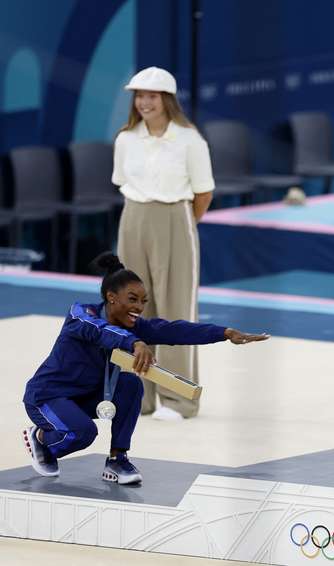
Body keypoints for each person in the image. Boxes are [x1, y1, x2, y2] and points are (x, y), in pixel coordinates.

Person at [22, 253, 269, 485]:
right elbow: (101, 331)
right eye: (132, 299)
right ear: (111, 297)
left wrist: (224, 333)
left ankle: (117, 459)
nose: (139, 307)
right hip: (47, 396)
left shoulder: (135, 326)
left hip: (86, 397)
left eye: (143, 301)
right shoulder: (80, 315)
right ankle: (42, 439)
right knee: (83, 433)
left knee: (130, 385)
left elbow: (174, 330)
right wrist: (134, 342)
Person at [112, 66, 215, 421]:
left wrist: (181, 222)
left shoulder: (189, 140)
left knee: (173, 309)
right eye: (139, 96)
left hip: (174, 217)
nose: (144, 103)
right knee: (128, 310)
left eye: (151, 96)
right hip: (133, 217)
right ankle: (137, 396)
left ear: (167, 100)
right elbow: (122, 181)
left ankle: (178, 399)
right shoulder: (126, 138)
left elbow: (203, 191)